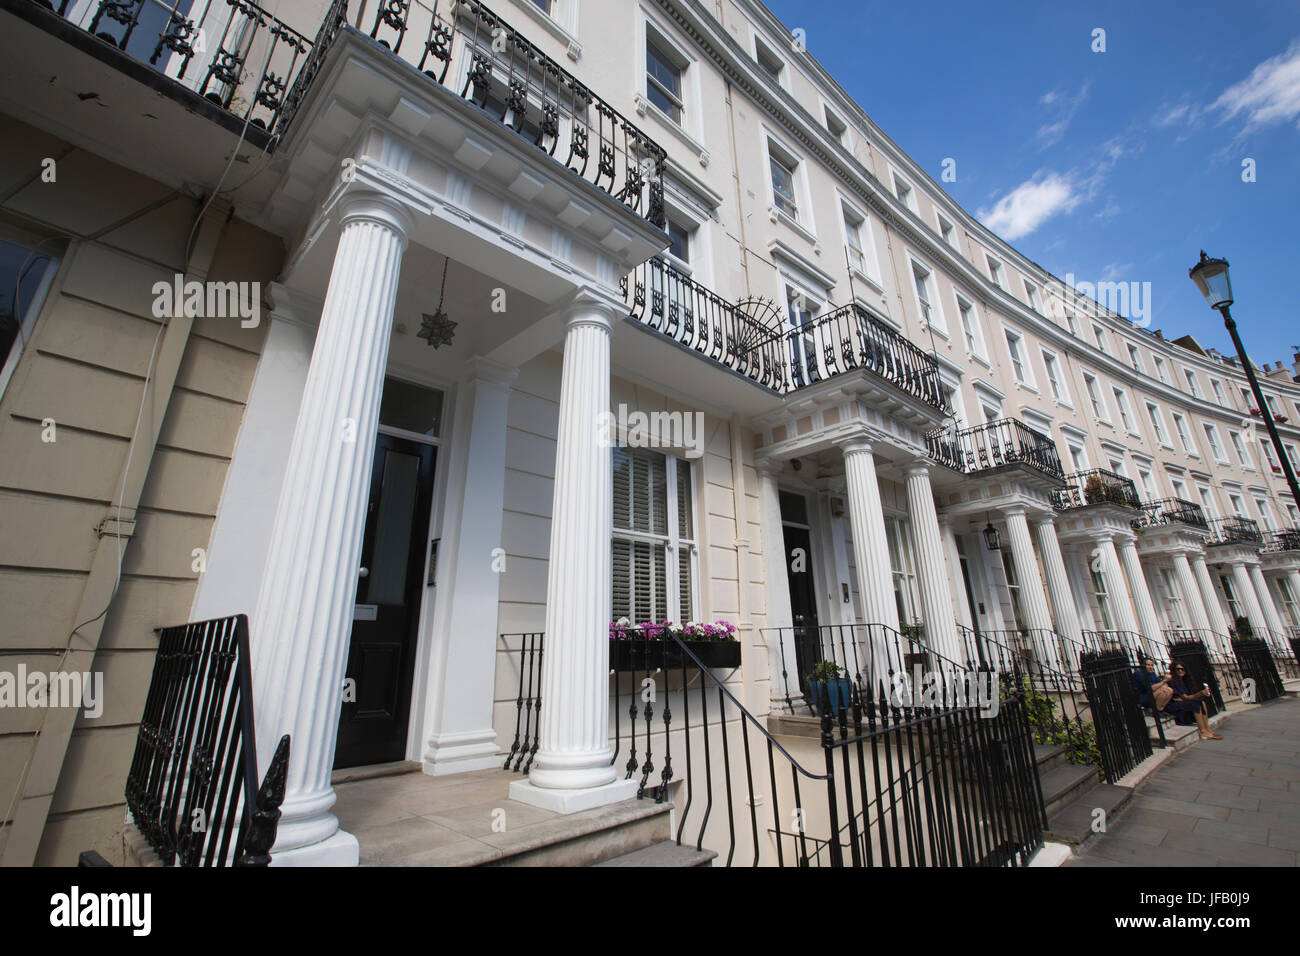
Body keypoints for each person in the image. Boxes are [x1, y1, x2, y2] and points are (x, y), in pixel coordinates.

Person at [1164, 663, 1222, 741]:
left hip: (1183, 702)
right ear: (1174, 671)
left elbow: (1186, 697)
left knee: (1201, 702)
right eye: (1178, 669)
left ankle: (1207, 728)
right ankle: (1203, 731)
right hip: (1173, 705)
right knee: (1195, 704)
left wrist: (1189, 697)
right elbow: (1186, 697)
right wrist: (1200, 693)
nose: (1180, 671)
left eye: (1182, 669)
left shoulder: (1185, 681)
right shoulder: (1173, 682)